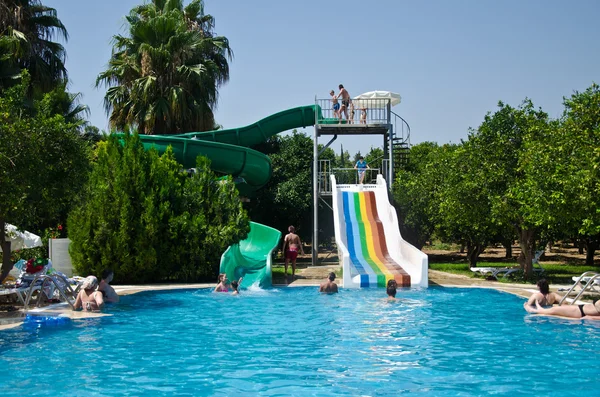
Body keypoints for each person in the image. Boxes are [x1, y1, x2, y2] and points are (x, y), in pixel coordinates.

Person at [525, 299, 600, 320]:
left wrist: (591, 317)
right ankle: (539, 309)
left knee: (553, 310)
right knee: (554, 309)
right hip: (581, 308)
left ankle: (534, 310)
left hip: (581, 312)